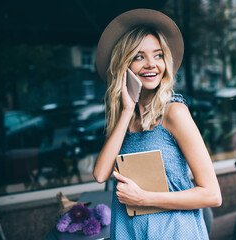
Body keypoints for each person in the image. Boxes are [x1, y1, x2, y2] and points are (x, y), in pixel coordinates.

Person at [93, 9, 222, 239]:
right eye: (139, 56)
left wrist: (144, 198)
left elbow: (212, 195)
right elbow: (101, 174)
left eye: (158, 55)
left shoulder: (174, 113)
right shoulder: (124, 117)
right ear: (123, 66)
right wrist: (126, 112)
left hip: (173, 232)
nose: (151, 64)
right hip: (130, 232)